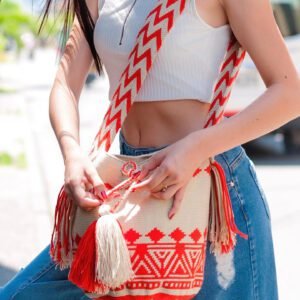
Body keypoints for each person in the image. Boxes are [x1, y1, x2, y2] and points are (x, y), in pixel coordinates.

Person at [1, 0, 300, 299]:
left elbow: (289, 93)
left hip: (212, 191)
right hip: (126, 186)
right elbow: (65, 83)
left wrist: (195, 148)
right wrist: (72, 153)